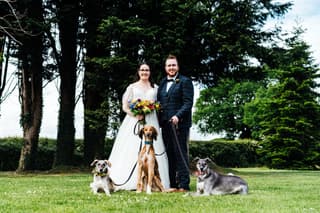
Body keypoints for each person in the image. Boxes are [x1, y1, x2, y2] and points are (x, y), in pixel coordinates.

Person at [108, 63, 170, 191]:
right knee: (130, 149)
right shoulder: (132, 87)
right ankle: (132, 181)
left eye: (147, 70)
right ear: (138, 72)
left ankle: (153, 182)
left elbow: (159, 104)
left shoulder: (155, 87)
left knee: (153, 150)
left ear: (150, 72)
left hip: (151, 121)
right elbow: (125, 106)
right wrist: (136, 115)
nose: (144, 72)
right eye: (142, 70)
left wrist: (153, 108)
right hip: (135, 121)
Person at [157, 54, 194, 192]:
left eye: (173, 65)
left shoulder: (185, 81)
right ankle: (172, 184)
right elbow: (159, 103)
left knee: (180, 154)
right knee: (169, 155)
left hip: (180, 124)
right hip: (165, 125)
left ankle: (184, 185)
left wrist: (177, 116)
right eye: (169, 65)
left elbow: (188, 103)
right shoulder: (162, 83)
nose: (171, 68)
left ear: (177, 66)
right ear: (165, 68)